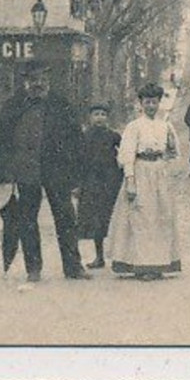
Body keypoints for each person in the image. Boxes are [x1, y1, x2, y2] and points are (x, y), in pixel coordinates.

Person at [0, 61, 89, 282]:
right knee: (27, 219)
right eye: (33, 80)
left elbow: (76, 140)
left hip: (56, 170)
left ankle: (73, 267)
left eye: (42, 79)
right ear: (25, 82)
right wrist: (1, 168)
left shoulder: (61, 105)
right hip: (26, 170)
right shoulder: (14, 106)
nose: (38, 84)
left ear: (48, 80)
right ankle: (33, 268)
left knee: (66, 217)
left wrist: (77, 173)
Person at [106, 82, 183, 279]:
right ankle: (142, 265)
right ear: (141, 103)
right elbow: (127, 155)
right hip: (140, 173)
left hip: (159, 174)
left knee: (161, 217)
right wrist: (130, 180)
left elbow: (174, 152)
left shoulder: (165, 126)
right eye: (147, 102)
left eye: (154, 102)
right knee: (142, 219)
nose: (151, 106)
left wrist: (167, 165)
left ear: (159, 103)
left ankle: (159, 263)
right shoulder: (134, 127)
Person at [77, 103, 124, 269]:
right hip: (91, 181)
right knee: (94, 220)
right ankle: (99, 256)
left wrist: (123, 171)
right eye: (96, 114)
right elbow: (79, 161)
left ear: (107, 118)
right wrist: (78, 184)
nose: (99, 118)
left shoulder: (113, 136)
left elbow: (125, 153)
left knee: (112, 218)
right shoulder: (84, 136)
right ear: (90, 118)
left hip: (111, 181)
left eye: (103, 114)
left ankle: (120, 257)